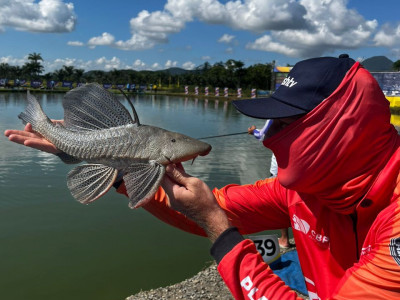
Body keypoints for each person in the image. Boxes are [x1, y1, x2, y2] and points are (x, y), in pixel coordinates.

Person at [5, 55, 400, 299]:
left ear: (341, 129)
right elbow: (210, 209)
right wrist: (117, 169)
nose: (267, 140)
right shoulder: (302, 191)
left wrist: (218, 228)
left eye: (282, 125)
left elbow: (215, 218)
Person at [248, 121, 291, 249]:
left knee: (280, 205)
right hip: (299, 169)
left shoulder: (276, 114)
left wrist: (253, 131)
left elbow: (262, 136)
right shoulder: (304, 111)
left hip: (280, 170)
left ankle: (284, 239)